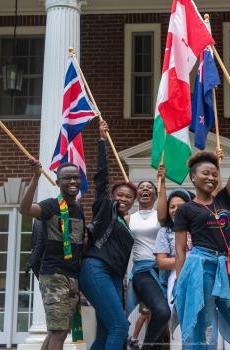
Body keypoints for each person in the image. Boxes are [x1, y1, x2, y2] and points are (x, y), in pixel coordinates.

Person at [174, 108, 230, 350]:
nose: (211, 177)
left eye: (214, 173)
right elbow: (179, 250)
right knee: (204, 325)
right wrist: (181, 285)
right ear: (193, 178)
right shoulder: (186, 210)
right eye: (205, 173)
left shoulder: (223, 200)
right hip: (200, 268)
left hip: (225, 267)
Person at [79, 120, 137, 350]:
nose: (123, 199)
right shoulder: (105, 209)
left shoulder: (126, 222)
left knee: (105, 331)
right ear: (113, 197)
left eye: (128, 197)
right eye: (120, 195)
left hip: (113, 276)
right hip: (96, 268)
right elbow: (101, 179)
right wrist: (102, 141)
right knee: (120, 327)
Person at [20, 160, 84, 350]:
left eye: (76, 177)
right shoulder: (51, 206)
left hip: (72, 276)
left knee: (58, 331)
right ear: (58, 182)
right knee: (59, 331)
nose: (73, 181)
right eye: (67, 178)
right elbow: (25, 209)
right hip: (54, 275)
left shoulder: (78, 209)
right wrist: (35, 177)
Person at [128, 177, 171, 349]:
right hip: (143, 271)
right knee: (162, 312)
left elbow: (164, 204)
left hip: (164, 270)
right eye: (141, 187)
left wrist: (163, 183)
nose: (145, 189)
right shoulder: (129, 218)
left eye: (149, 187)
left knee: (162, 319)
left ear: (155, 194)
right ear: (136, 195)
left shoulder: (160, 217)